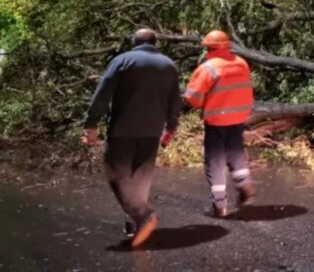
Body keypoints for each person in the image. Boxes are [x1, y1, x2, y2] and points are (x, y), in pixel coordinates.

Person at [83, 28, 181, 247]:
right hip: (153, 130)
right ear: (155, 43)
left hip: (122, 128)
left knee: (115, 173)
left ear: (134, 42)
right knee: (141, 174)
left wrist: (91, 124)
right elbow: (175, 100)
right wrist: (171, 127)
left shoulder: (123, 60)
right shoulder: (169, 65)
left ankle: (142, 214)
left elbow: (103, 92)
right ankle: (133, 222)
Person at [183, 30, 255, 218]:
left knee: (215, 161)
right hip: (239, 117)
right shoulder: (241, 63)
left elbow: (193, 99)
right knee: (236, 153)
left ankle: (219, 205)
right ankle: (244, 184)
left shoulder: (208, 68)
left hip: (216, 120)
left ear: (208, 47)